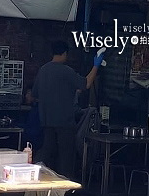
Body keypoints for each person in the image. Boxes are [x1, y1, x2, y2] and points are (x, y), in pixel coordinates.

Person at [32, 40, 104, 178]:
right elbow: (86, 84)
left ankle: (42, 178)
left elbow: (35, 94)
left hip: (46, 121)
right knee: (66, 158)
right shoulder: (66, 71)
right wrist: (96, 65)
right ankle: (65, 186)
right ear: (65, 53)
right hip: (65, 122)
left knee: (48, 152)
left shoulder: (43, 70)